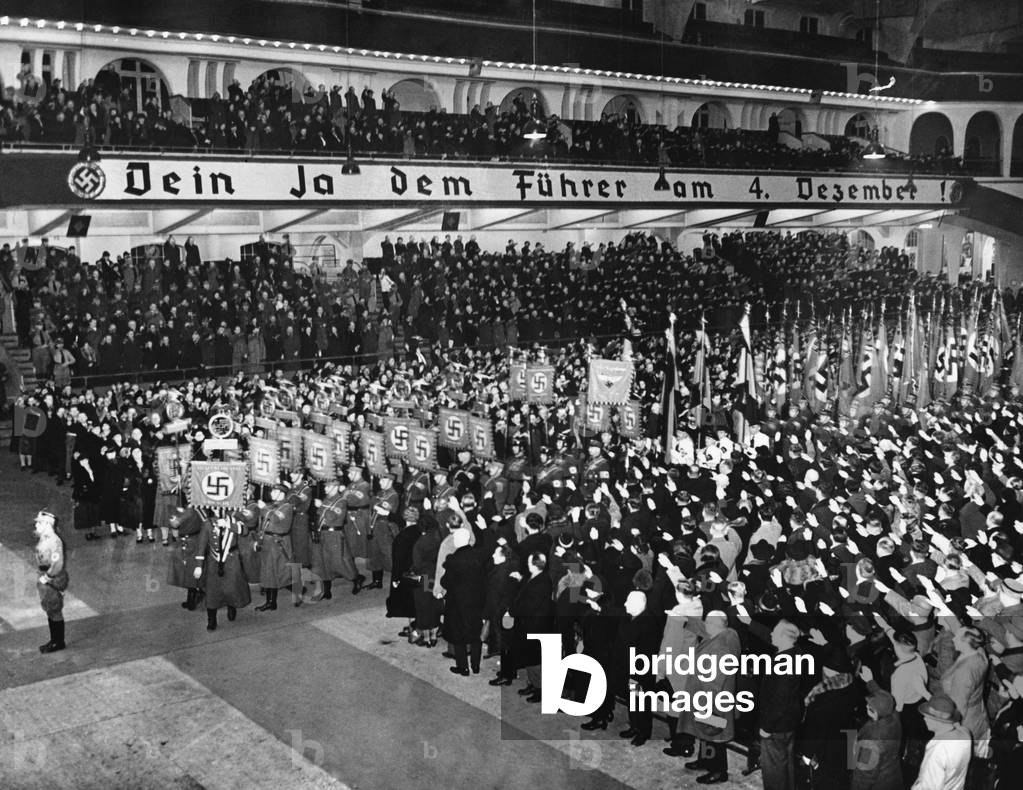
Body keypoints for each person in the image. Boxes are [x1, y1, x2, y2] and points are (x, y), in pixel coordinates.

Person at [440, 528, 487, 675]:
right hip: (477, 601)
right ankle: (476, 665)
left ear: (458, 541)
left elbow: (446, 582)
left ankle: (463, 667)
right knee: (475, 634)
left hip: (457, 604)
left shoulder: (453, 560)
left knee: (458, 635)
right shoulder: (479, 555)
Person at [200, 513, 252, 631]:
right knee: (212, 590)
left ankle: (231, 605)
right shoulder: (208, 523)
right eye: (214, 507)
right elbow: (201, 545)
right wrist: (198, 565)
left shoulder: (234, 519)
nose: (217, 509)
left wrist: (229, 525)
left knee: (231, 587)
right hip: (214, 561)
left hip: (232, 559)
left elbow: (244, 531)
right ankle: (211, 619)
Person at [310, 479, 359, 599]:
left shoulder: (341, 501)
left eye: (328, 486)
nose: (325, 489)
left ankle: (356, 579)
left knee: (340, 562)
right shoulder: (327, 499)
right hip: (324, 534)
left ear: (335, 487)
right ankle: (327, 590)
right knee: (325, 563)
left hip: (335, 534)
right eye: (325, 486)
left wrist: (320, 506)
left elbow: (331, 517)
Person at [911, 696, 972, 790]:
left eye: (928, 716)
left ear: (939, 721)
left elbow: (928, 787)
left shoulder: (938, 750)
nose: (924, 718)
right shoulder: (965, 734)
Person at [254, 484, 294, 612]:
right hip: (268, 540)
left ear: (282, 493)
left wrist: (264, 508)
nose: (271, 494)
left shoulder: (287, 507)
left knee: (277, 571)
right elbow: (263, 522)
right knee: (269, 571)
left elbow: (276, 518)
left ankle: (274, 600)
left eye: (274, 491)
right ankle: (271, 602)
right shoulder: (273, 506)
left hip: (278, 542)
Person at [34, 511, 68, 653]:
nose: (36, 525)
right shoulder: (45, 537)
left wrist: (47, 577)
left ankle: (58, 642)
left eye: (39, 522)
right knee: (50, 609)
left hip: (52, 577)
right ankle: (54, 640)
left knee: (54, 610)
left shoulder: (54, 541)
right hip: (46, 574)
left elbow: (57, 563)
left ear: (47, 524)